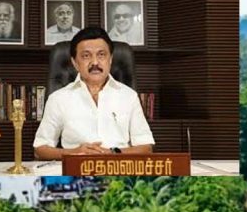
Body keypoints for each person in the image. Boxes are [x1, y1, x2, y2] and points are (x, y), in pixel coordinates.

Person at [33, 27, 155, 159]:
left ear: (110, 59)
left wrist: (112, 153)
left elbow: (146, 147)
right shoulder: (58, 99)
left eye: (101, 55)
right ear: (75, 63)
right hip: (75, 167)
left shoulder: (129, 96)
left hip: (118, 167)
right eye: (86, 56)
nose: (95, 62)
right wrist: (75, 153)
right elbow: (40, 149)